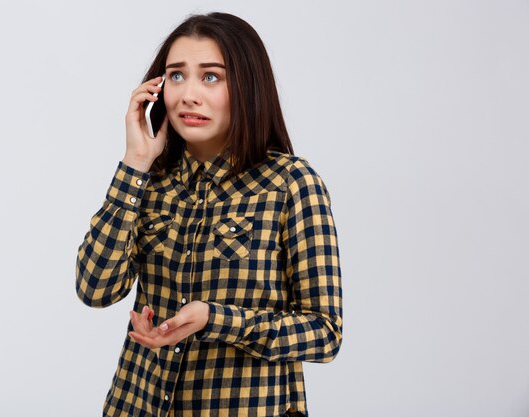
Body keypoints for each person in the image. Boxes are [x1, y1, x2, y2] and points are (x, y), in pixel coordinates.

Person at [75, 12, 343, 417]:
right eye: (177, 76)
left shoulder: (290, 183)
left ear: (247, 86)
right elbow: (95, 289)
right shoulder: (149, 181)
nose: (189, 95)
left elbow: (324, 333)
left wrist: (214, 320)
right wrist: (134, 164)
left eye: (211, 77)